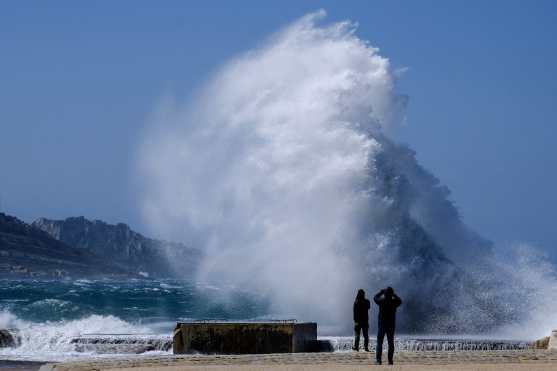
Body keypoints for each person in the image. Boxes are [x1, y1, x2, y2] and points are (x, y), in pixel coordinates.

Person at [373, 287, 402, 365]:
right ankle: (390, 360)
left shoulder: (381, 301)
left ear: (385, 294)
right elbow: (400, 300)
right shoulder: (394, 302)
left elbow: (375, 298)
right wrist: (394, 295)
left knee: (379, 342)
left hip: (382, 324)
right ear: (391, 294)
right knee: (390, 343)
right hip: (391, 325)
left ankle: (378, 360)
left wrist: (381, 292)